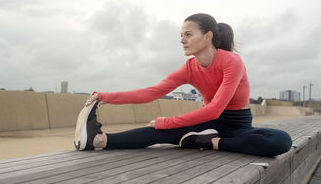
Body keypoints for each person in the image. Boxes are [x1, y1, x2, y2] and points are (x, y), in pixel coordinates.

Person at [78, 13, 292, 157]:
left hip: (237, 125)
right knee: (155, 133)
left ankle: (212, 142)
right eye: (181, 35)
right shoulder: (188, 68)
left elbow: (216, 108)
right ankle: (97, 140)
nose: (182, 40)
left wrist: (168, 121)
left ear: (208, 36)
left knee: (281, 141)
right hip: (207, 123)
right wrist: (105, 96)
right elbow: (151, 93)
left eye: (188, 34)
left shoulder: (231, 61)